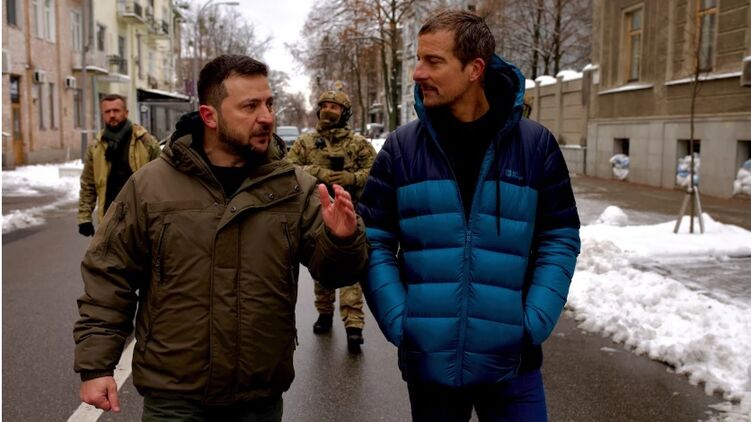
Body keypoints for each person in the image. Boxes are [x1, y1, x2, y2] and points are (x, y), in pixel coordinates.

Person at [73, 55, 368, 421]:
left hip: (258, 398)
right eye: (250, 106)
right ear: (209, 116)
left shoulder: (294, 187)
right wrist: (97, 365)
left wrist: (342, 240)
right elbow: (109, 275)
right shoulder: (150, 187)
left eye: (269, 104)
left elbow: (336, 274)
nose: (267, 117)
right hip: (174, 399)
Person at [357, 10, 581, 422]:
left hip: (514, 366)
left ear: (474, 69)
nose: (417, 73)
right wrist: (401, 321)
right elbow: (374, 238)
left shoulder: (535, 146)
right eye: (418, 59)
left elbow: (559, 237)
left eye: (433, 61)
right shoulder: (401, 149)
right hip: (430, 367)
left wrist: (532, 323)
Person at [287, 90, 376, 353]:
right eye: (325, 105)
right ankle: (324, 312)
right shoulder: (306, 143)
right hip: (316, 217)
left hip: (351, 216)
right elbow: (289, 168)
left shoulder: (358, 144)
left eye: (335, 107)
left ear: (344, 113)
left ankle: (354, 326)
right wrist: (320, 173)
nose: (328, 110)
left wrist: (352, 179)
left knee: (352, 274)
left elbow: (376, 171)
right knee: (322, 267)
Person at [77, 94, 160, 236]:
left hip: (141, 220)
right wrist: (84, 218)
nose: (112, 115)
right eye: (107, 112)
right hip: (109, 219)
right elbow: (88, 185)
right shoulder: (96, 146)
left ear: (126, 112)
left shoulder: (145, 141)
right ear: (103, 115)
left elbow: (161, 179)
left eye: (116, 110)